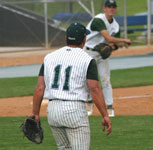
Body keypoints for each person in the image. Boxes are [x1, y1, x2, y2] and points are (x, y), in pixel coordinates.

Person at [30, 22, 112, 150]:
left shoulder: (49, 57)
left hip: (53, 111)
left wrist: (35, 113)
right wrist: (105, 115)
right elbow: (94, 88)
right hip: (74, 110)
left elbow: (40, 88)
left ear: (66, 38)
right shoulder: (87, 59)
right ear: (84, 39)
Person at [84, 0, 131, 117]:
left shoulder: (115, 25)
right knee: (88, 80)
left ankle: (109, 107)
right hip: (88, 52)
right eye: (109, 6)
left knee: (106, 80)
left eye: (113, 7)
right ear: (104, 8)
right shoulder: (98, 20)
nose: (111, 9)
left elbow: (114, 45)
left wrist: (113, 48)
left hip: (101, 55)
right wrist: (124, 41)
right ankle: (88, 102)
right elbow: (108, 38)